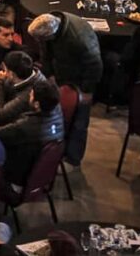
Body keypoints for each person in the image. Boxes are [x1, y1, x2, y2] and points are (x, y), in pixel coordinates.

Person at [28, 12, 102, 165]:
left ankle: (73, 158)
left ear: (51, 35)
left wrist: (87, 90)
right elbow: (45, 53)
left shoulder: (79, 39)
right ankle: (59, 152)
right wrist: (49, 74)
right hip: (62, 75)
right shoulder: (49, 27)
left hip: (81, 80)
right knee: (61, 115)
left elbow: (95, 65)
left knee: (79, 121)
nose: (38, 42)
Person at [0, 79, 65, 187]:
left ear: (37, 104)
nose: (29, 96)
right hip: (41, 173)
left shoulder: (26, 126)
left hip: (18, 178)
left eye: (31, 95)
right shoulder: (56, 111)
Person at [0, 51, 48, 126]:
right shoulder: (29, 75)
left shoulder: (28, 95)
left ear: (11, 74)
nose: (3, 72)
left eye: (5, 69)